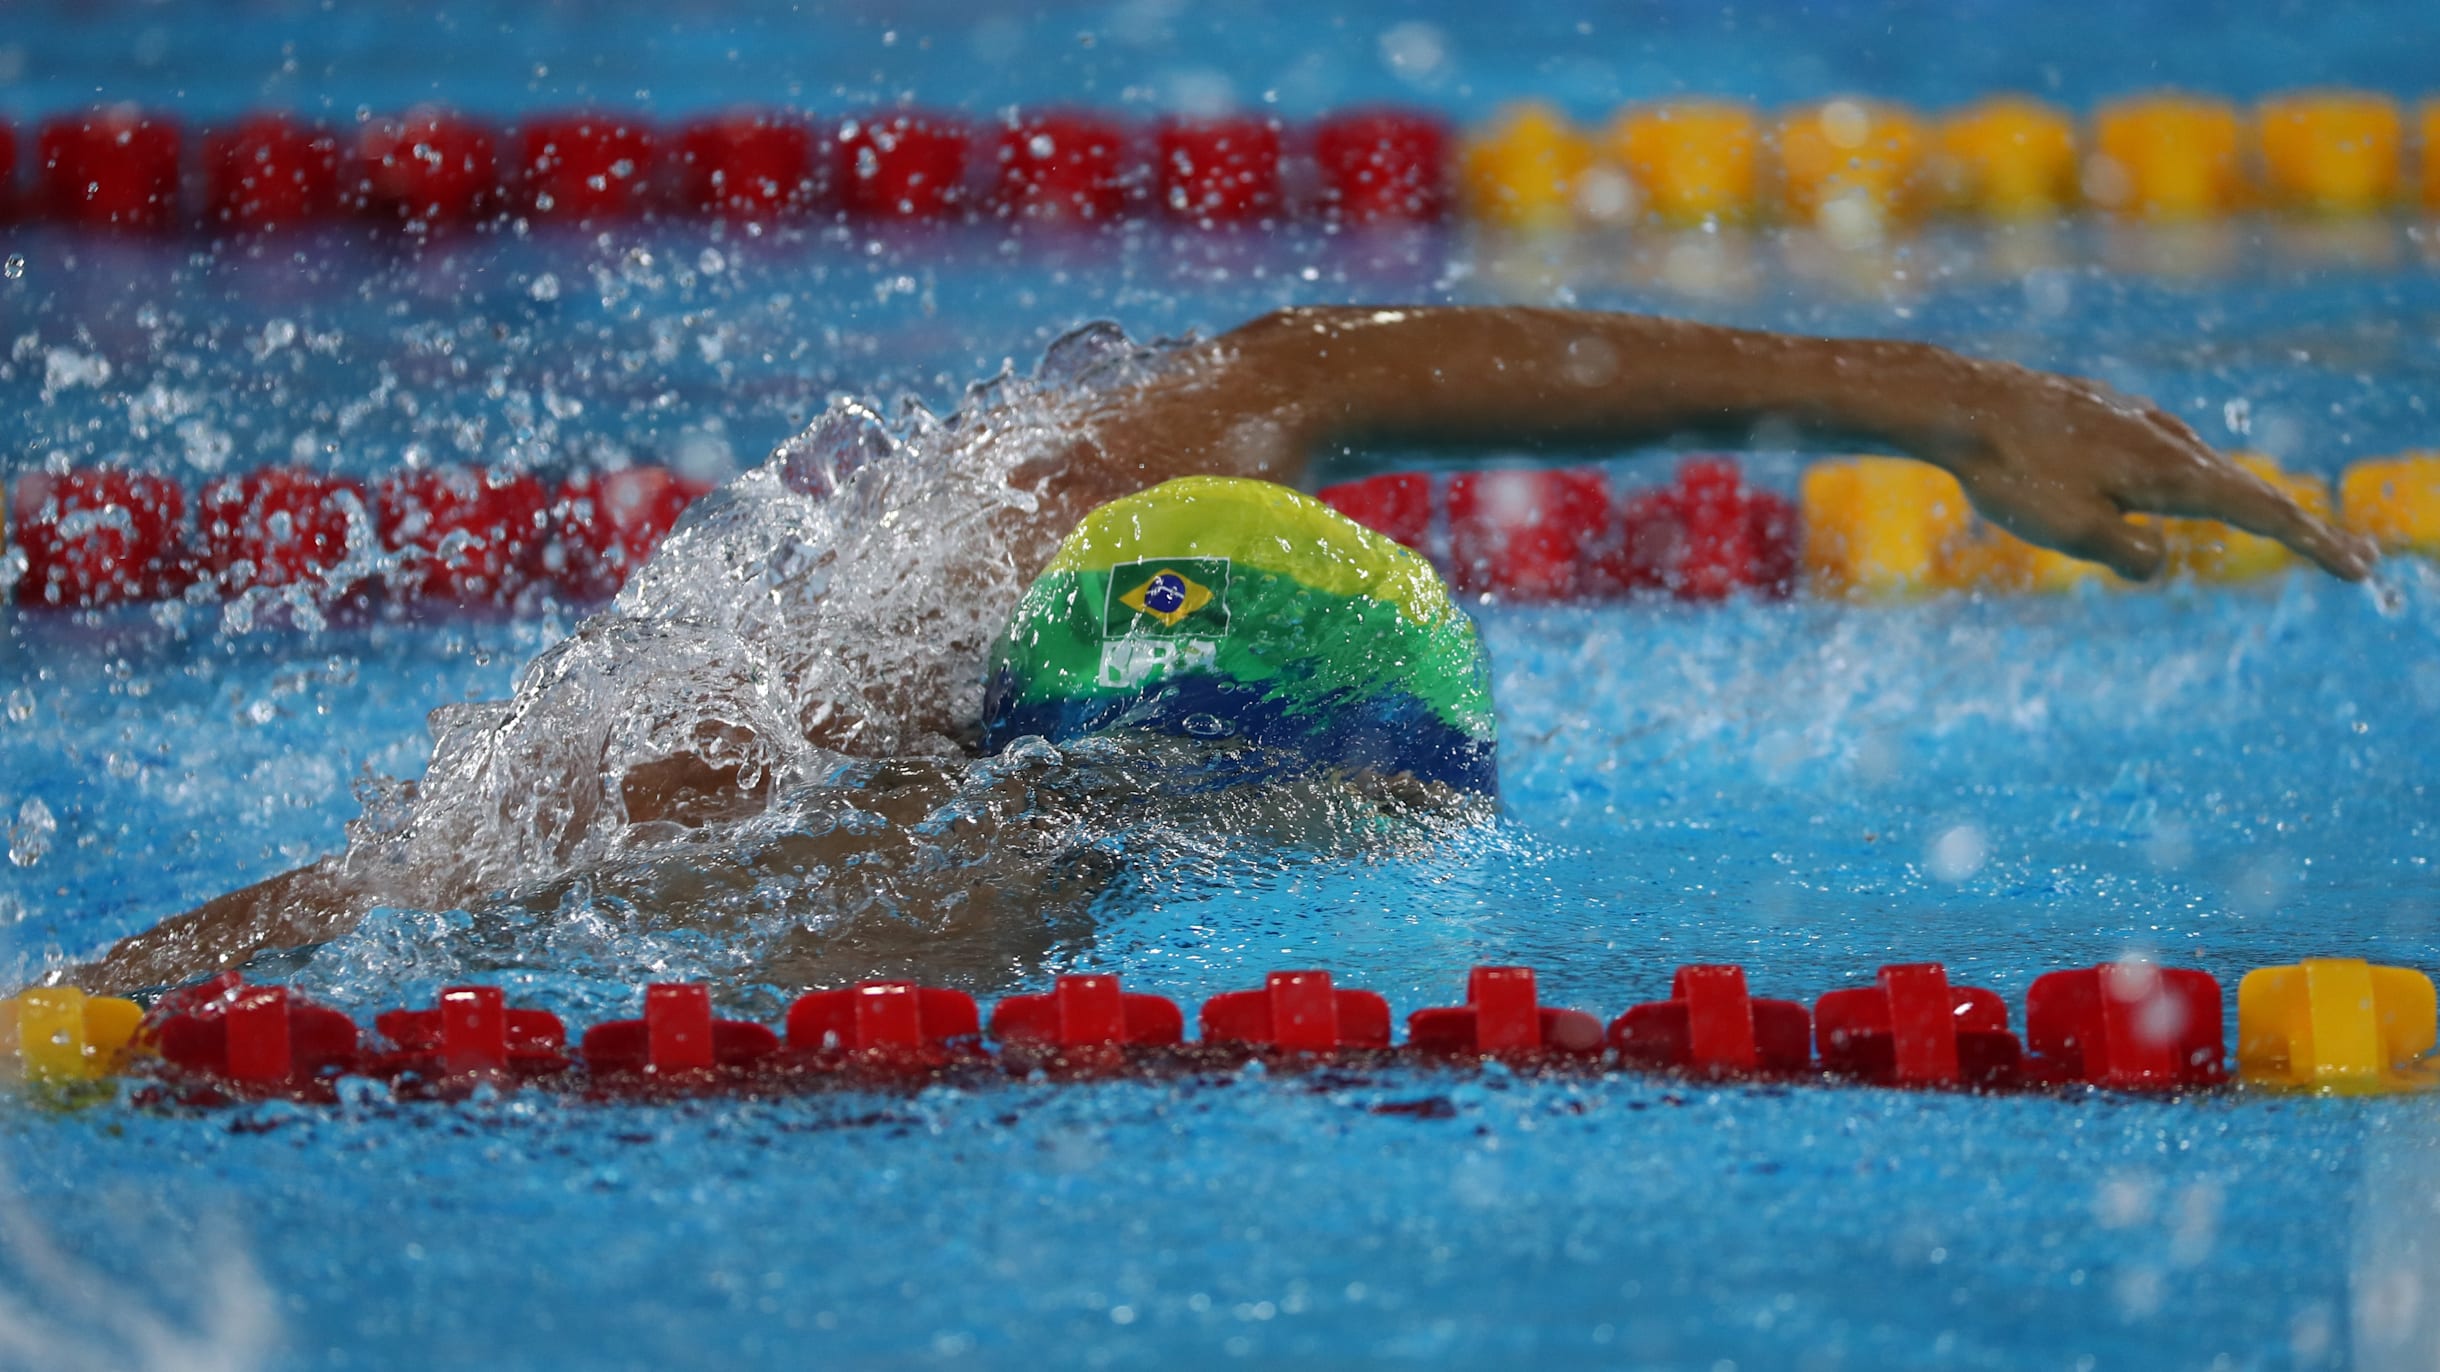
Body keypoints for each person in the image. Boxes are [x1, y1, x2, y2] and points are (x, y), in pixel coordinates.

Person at [57, 306, 2375, 997]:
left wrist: (1954, 406)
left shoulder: (1090, 491)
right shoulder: (756, 757)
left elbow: (1346, 357)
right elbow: (345, 902)